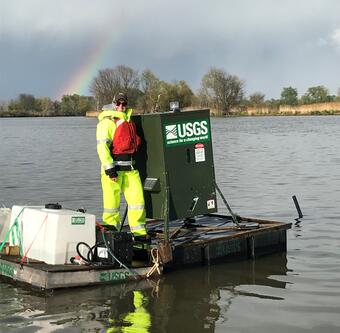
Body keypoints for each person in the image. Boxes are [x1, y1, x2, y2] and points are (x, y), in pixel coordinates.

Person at [96, 93, 148, 241]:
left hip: (130, 170)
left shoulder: (129, 121)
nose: (121, 107)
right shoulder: (106, 123)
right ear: (113, 104)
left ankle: (139, 235)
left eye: (124, 104)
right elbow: (102, 148)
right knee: (111, 205)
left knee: (137, 202)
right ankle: (112, 236)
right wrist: (110, 169)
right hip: (113, 172)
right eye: (118, 104)